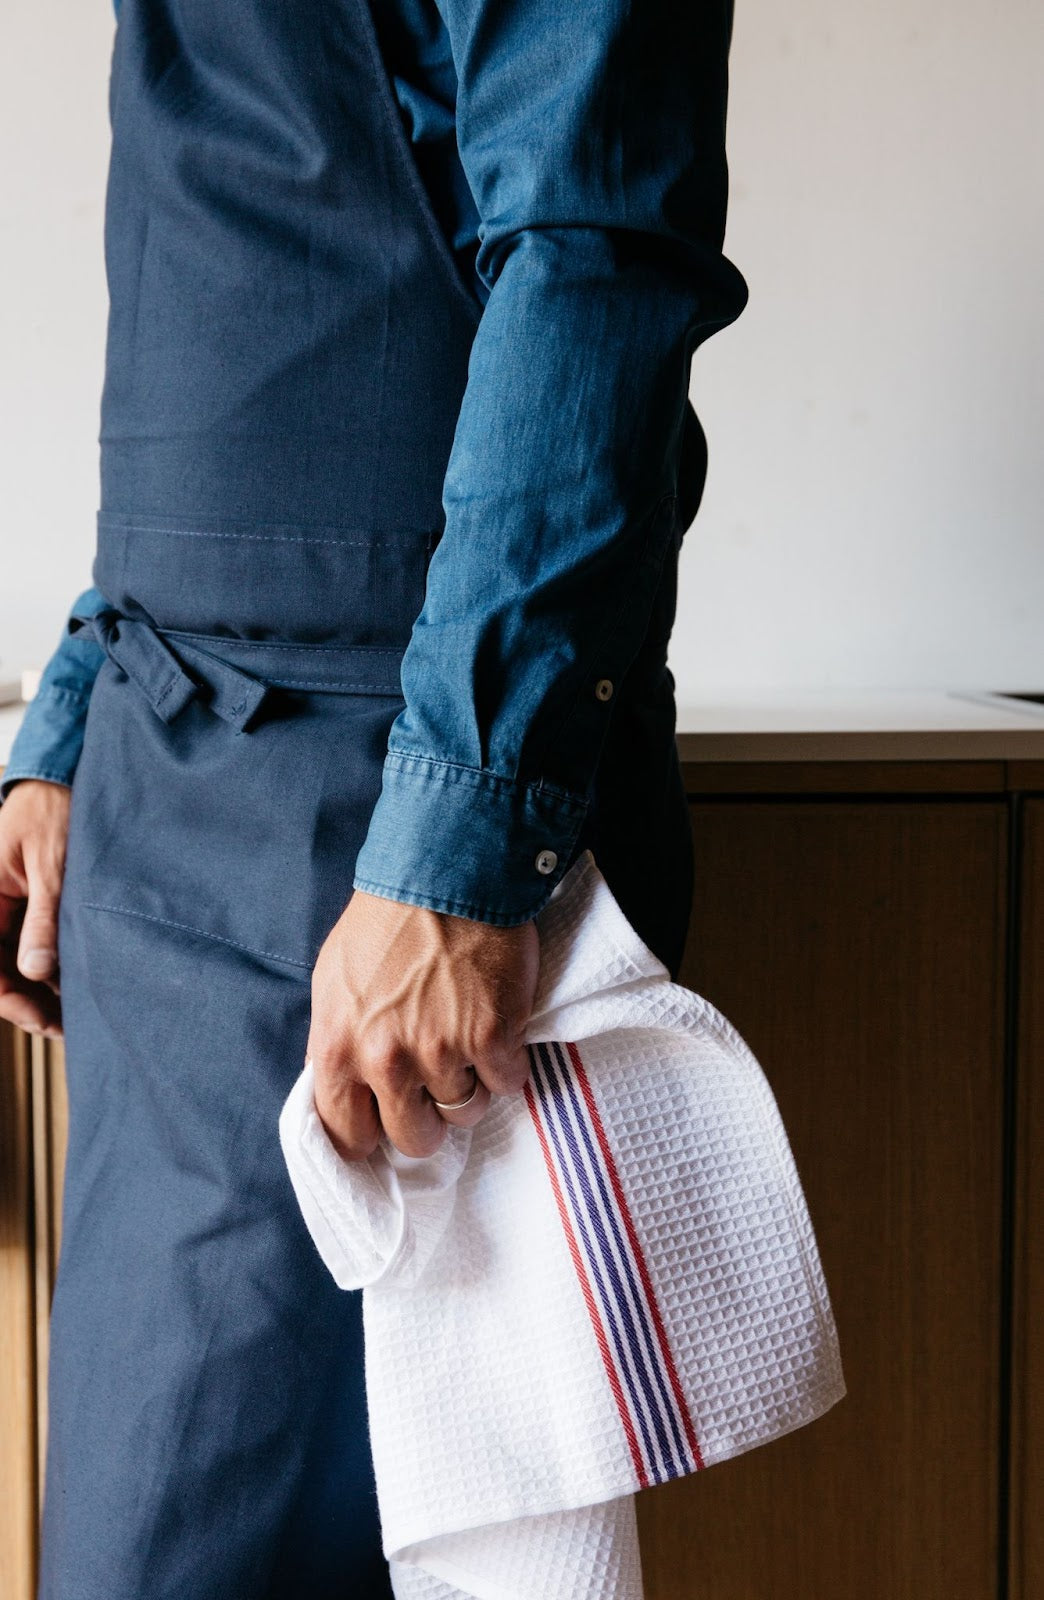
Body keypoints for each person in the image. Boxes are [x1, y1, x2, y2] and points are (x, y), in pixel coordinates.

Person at [0, 0, 748, 1592]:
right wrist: (75, 714)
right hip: (167, 791)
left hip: (377, 837)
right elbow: (236, 276)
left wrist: (457, 850)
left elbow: (593, 247)